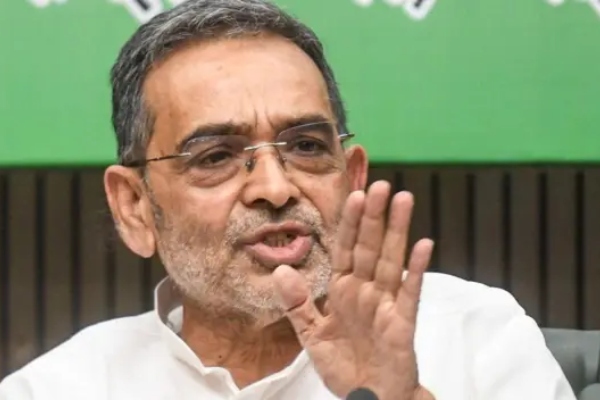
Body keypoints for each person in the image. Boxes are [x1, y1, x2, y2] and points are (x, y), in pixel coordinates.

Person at [0, 1, 576, 399]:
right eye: (216, 157)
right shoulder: (59, 389)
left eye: (305, 146)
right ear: (134, 206)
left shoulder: (477, 338)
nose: (275, 189)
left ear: (351, 179)